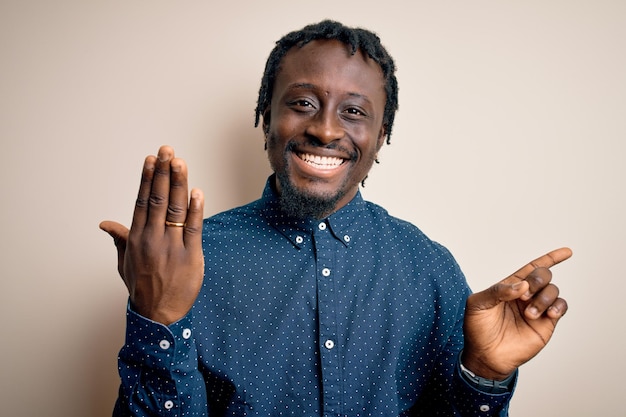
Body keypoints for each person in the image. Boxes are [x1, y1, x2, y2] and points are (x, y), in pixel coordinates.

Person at [100, 20, 571, 416]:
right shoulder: (188, 261)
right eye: (302, 103)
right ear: (266, 116)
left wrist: (484, 375)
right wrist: (155, 318)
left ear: (381, 135)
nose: (325, 129)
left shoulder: (430, 270)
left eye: (353, 112)